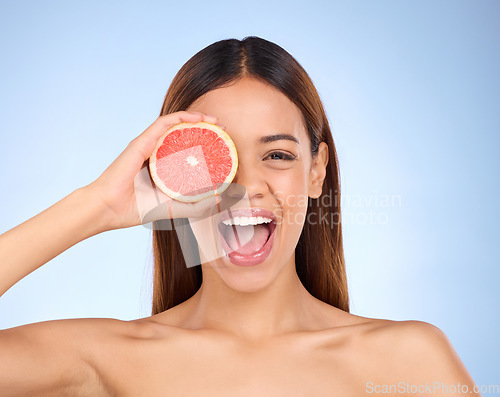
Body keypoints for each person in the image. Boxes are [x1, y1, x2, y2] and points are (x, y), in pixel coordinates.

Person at [0, 36, 479, 396]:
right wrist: (98, 206)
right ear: (171, 175)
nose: (246, 187)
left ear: (317, 173)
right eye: (215, 160)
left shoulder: (408, 361)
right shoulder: (104, 361)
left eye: (277, 156)